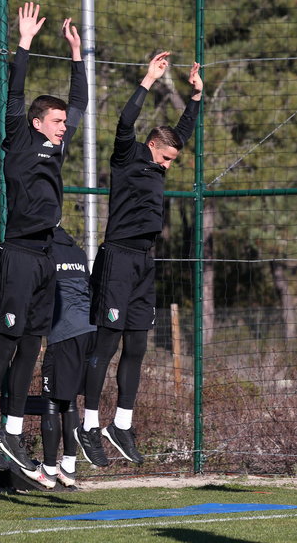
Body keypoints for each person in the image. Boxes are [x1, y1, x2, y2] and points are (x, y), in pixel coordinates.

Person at [0, 1, 87, 474]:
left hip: (46, 258)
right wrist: (24, 44)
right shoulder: (20, 137)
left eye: (63, 125)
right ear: (39, 124)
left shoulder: (58, 150)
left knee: (33, 347)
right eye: (56, 122)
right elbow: (15, 94)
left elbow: (78, 104)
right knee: (6, 345)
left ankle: (13, 435)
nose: (63, 128)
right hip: (17, 254)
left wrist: (77, 56)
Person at [76, 52, 203, 467]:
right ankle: (90, 424)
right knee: (107, 343)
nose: (169, 165)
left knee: (138, 344)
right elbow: (125, 122)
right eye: (166, 157)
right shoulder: (128, 157)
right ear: (152, 147)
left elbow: (181, 132)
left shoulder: (160, 166)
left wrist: (196, 98)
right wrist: (149, 79)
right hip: (116, 259)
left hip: (145, 263)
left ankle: (122, 425)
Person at [23, 227, 94, 489]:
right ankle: (69, 468)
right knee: (70, 400)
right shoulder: (77, 251)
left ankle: (49, 470)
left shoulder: (44, 251)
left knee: (51, 400)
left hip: (64, 333)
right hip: (88, 331)